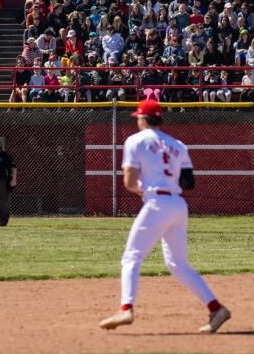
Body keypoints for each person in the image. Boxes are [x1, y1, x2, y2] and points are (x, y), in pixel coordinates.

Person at [99, 98, 231, 333]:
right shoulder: (178, 145)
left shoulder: (135, 141)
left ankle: (126, 308)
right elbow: (188, 182)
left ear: (144, 118)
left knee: (131, 257)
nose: (137, 121)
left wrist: (144, 187)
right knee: (178, 264)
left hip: (157, 203)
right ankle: (216, 308)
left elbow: (129, 182)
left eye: (138, 117)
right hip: (178, 205)